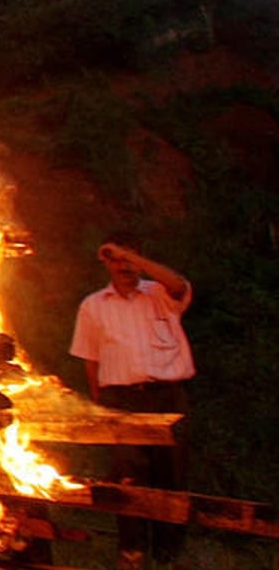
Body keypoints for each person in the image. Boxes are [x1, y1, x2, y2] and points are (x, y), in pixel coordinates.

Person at [69, 233, 194, 567]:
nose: (124, 266)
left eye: (130, 259)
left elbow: (178, 283)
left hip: (167, 397)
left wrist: (133, 258)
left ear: (141, 259)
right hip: (120, 400)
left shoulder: (161, 294)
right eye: (116, 259)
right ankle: (133, 551)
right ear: (105, 263)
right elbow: (90, 360)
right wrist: (100, 404)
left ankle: (168, 554)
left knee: (171, 478)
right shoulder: (93, 306)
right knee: (127, 476)